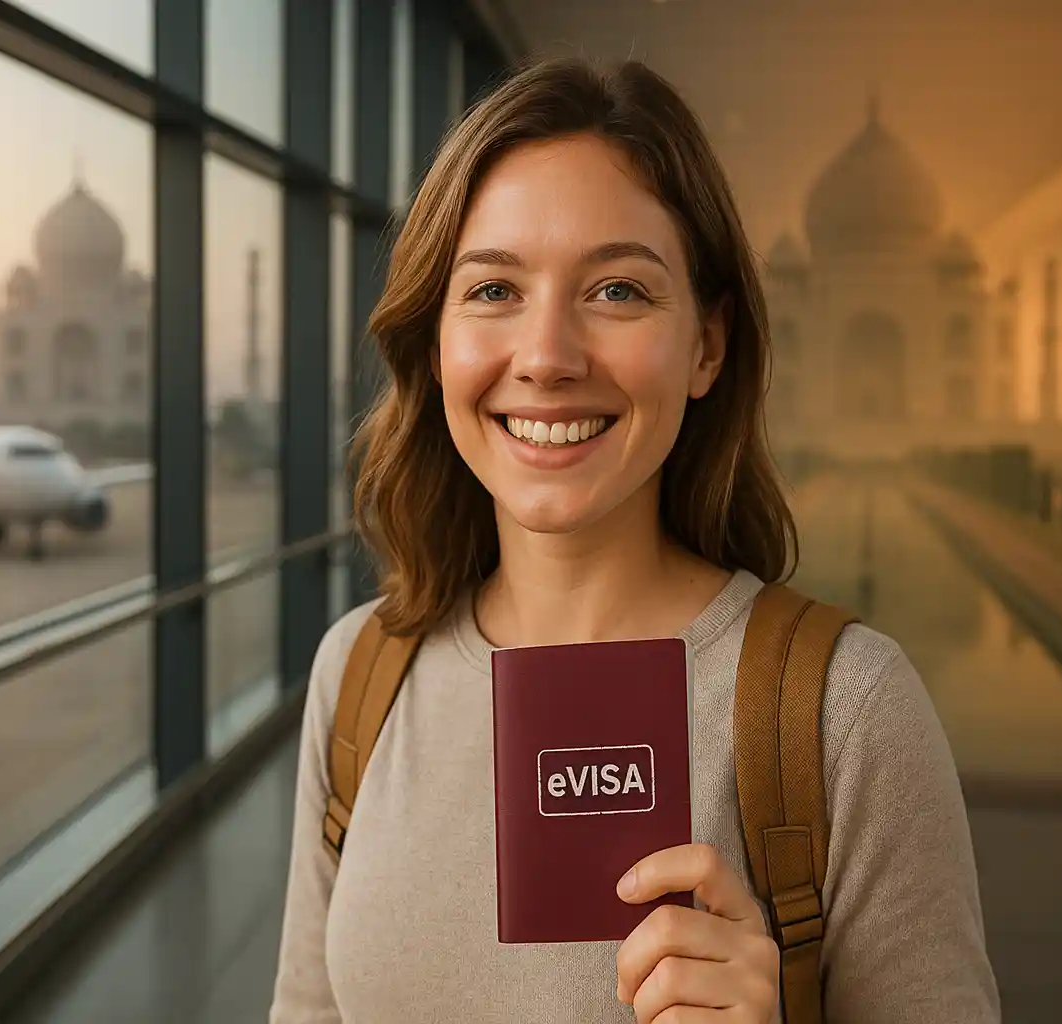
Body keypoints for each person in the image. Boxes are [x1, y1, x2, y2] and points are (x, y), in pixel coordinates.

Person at [269, 55, 1000, 1023]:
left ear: (707, 343)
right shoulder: (360, 678)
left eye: (617, 290)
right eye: (493, 291)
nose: (547, 357)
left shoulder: (844, 717)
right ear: (434, 338)